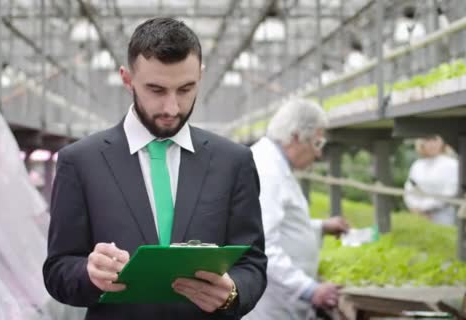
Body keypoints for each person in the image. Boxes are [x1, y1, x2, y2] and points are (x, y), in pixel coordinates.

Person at [43, 17, 267, 320]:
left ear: (200, 76)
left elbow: (252, 262)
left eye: (186, 89)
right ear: (127, 79)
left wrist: (232, 293)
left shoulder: (233, 162)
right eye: (156, 90)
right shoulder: (81, 161)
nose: (172, 108)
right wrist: (88, 273)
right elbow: (58, 269)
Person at [245, 99, 350, 320]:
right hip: (271, 305)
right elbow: (262, 243)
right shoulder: (268, 172)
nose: (319, 154)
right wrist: (309, 289)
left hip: (280, 301)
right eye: (317, 143)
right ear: (295, 137)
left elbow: (277, 227)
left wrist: (320, 227)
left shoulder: (274, 164)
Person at [404, 135, 459, 226]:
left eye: (434, 139)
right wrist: (416, 208)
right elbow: (409, 189)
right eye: (427, 140)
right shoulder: (417, 165)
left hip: (443, 218)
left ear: (442, 142)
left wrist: (425, 208)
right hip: (418, 217)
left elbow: (450, 193)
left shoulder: (452, 164)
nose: (431, 144)